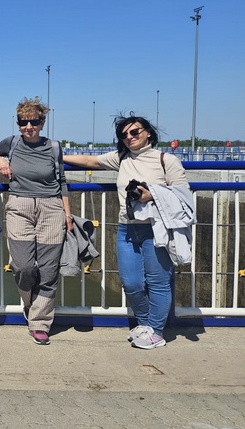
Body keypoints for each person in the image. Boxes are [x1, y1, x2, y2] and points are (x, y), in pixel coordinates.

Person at [64, 115, 189, 349]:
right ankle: (145, 325)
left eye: (134, 132)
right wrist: (53, 155)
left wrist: (151, 195)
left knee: (158, 282)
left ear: (148, 132)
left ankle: (156, 332)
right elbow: (90, 160)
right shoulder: (122, 158)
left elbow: (183, 195)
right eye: (124, 135)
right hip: (127, 229)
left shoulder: (166, 160)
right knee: (131, 283)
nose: (129, 137)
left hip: (156, 228)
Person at [0, 97, 72, 346]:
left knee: (48, 269)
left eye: (34, 122)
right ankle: (30, 304)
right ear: (18, 123)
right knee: (23, 266)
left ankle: (40, 323)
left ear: (42, 122)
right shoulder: (11, 143)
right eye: (23, 122)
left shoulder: (54, 147)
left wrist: (67, 215)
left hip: (51, 208)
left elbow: (61, 182)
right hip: (19, 207)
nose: (28, 127)